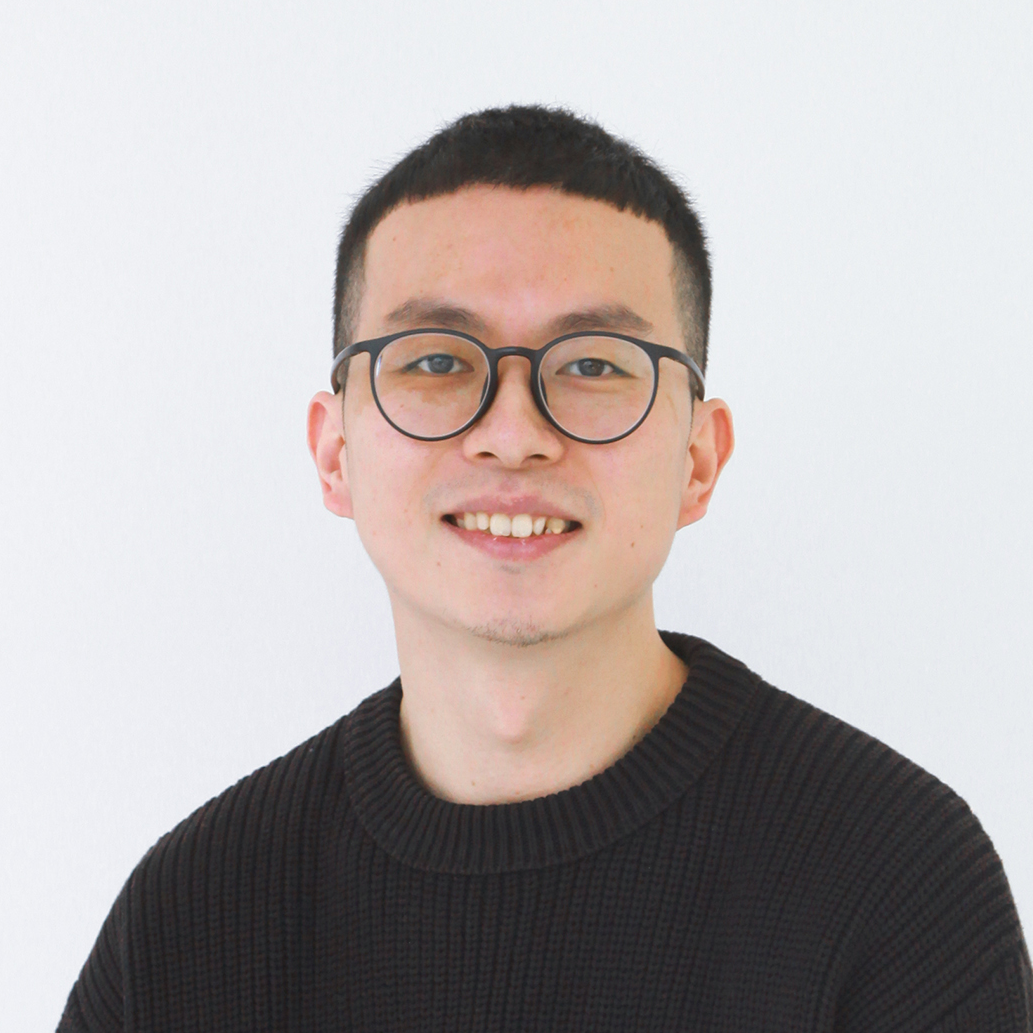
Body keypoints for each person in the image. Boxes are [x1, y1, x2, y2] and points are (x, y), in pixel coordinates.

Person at [59, 105, 1031, 1033]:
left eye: (594, 363)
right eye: (436, 362)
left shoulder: (895, 881)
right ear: (335, 453)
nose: (514, 433)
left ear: (698, 459)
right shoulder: (190, 921)